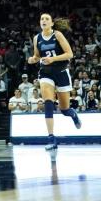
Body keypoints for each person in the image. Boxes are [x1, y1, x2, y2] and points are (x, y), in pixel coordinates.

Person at [29, 13, 81, 150]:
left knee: (64, 109)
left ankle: (73, 114)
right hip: (45, 73)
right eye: (41, 19)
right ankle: (51, 139)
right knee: (48, 103)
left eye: (46, 19)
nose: (43, 20)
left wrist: (53, 59)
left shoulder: (57, 35)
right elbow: (37, 55)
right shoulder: (36, 38)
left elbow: (70, 54)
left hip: (62, 72)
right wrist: (33, 59)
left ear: (52, 23)